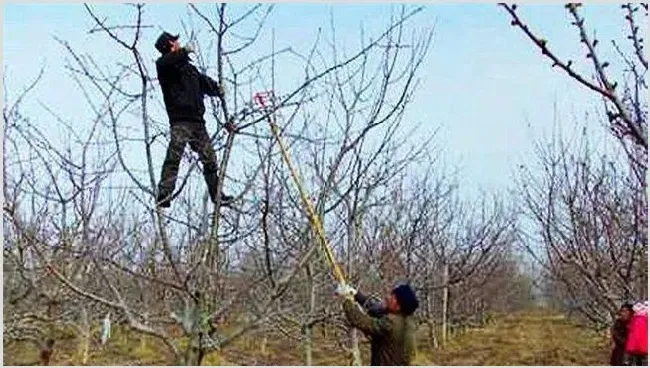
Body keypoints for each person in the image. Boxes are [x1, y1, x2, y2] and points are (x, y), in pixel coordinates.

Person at [154, 31, 234, 208]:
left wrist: (217, 88)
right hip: (180, 121)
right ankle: (164, 194)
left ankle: (217, 195)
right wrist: (185, 52)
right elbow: (166, 61)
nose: (179, 42)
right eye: (176, 41)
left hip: (198, 123)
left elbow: (203, 83)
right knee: (174, 157)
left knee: (210, 159)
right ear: (170, 44)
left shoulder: (189, 69)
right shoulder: (165, 66)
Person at [335, 282, 419, 366]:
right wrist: (356, 294)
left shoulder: (391, 323)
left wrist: (347, 300)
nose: (387, 298)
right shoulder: (406, 317)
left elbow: (362, 322)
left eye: (392, 297)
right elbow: (376, 308)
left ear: (398, 305)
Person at [625, 301, 648, 366]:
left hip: (635, 346)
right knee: (642, 360)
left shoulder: (635, 318)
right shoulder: (645, 318)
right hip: (643, 346)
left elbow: (630, 329)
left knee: (636, 360)